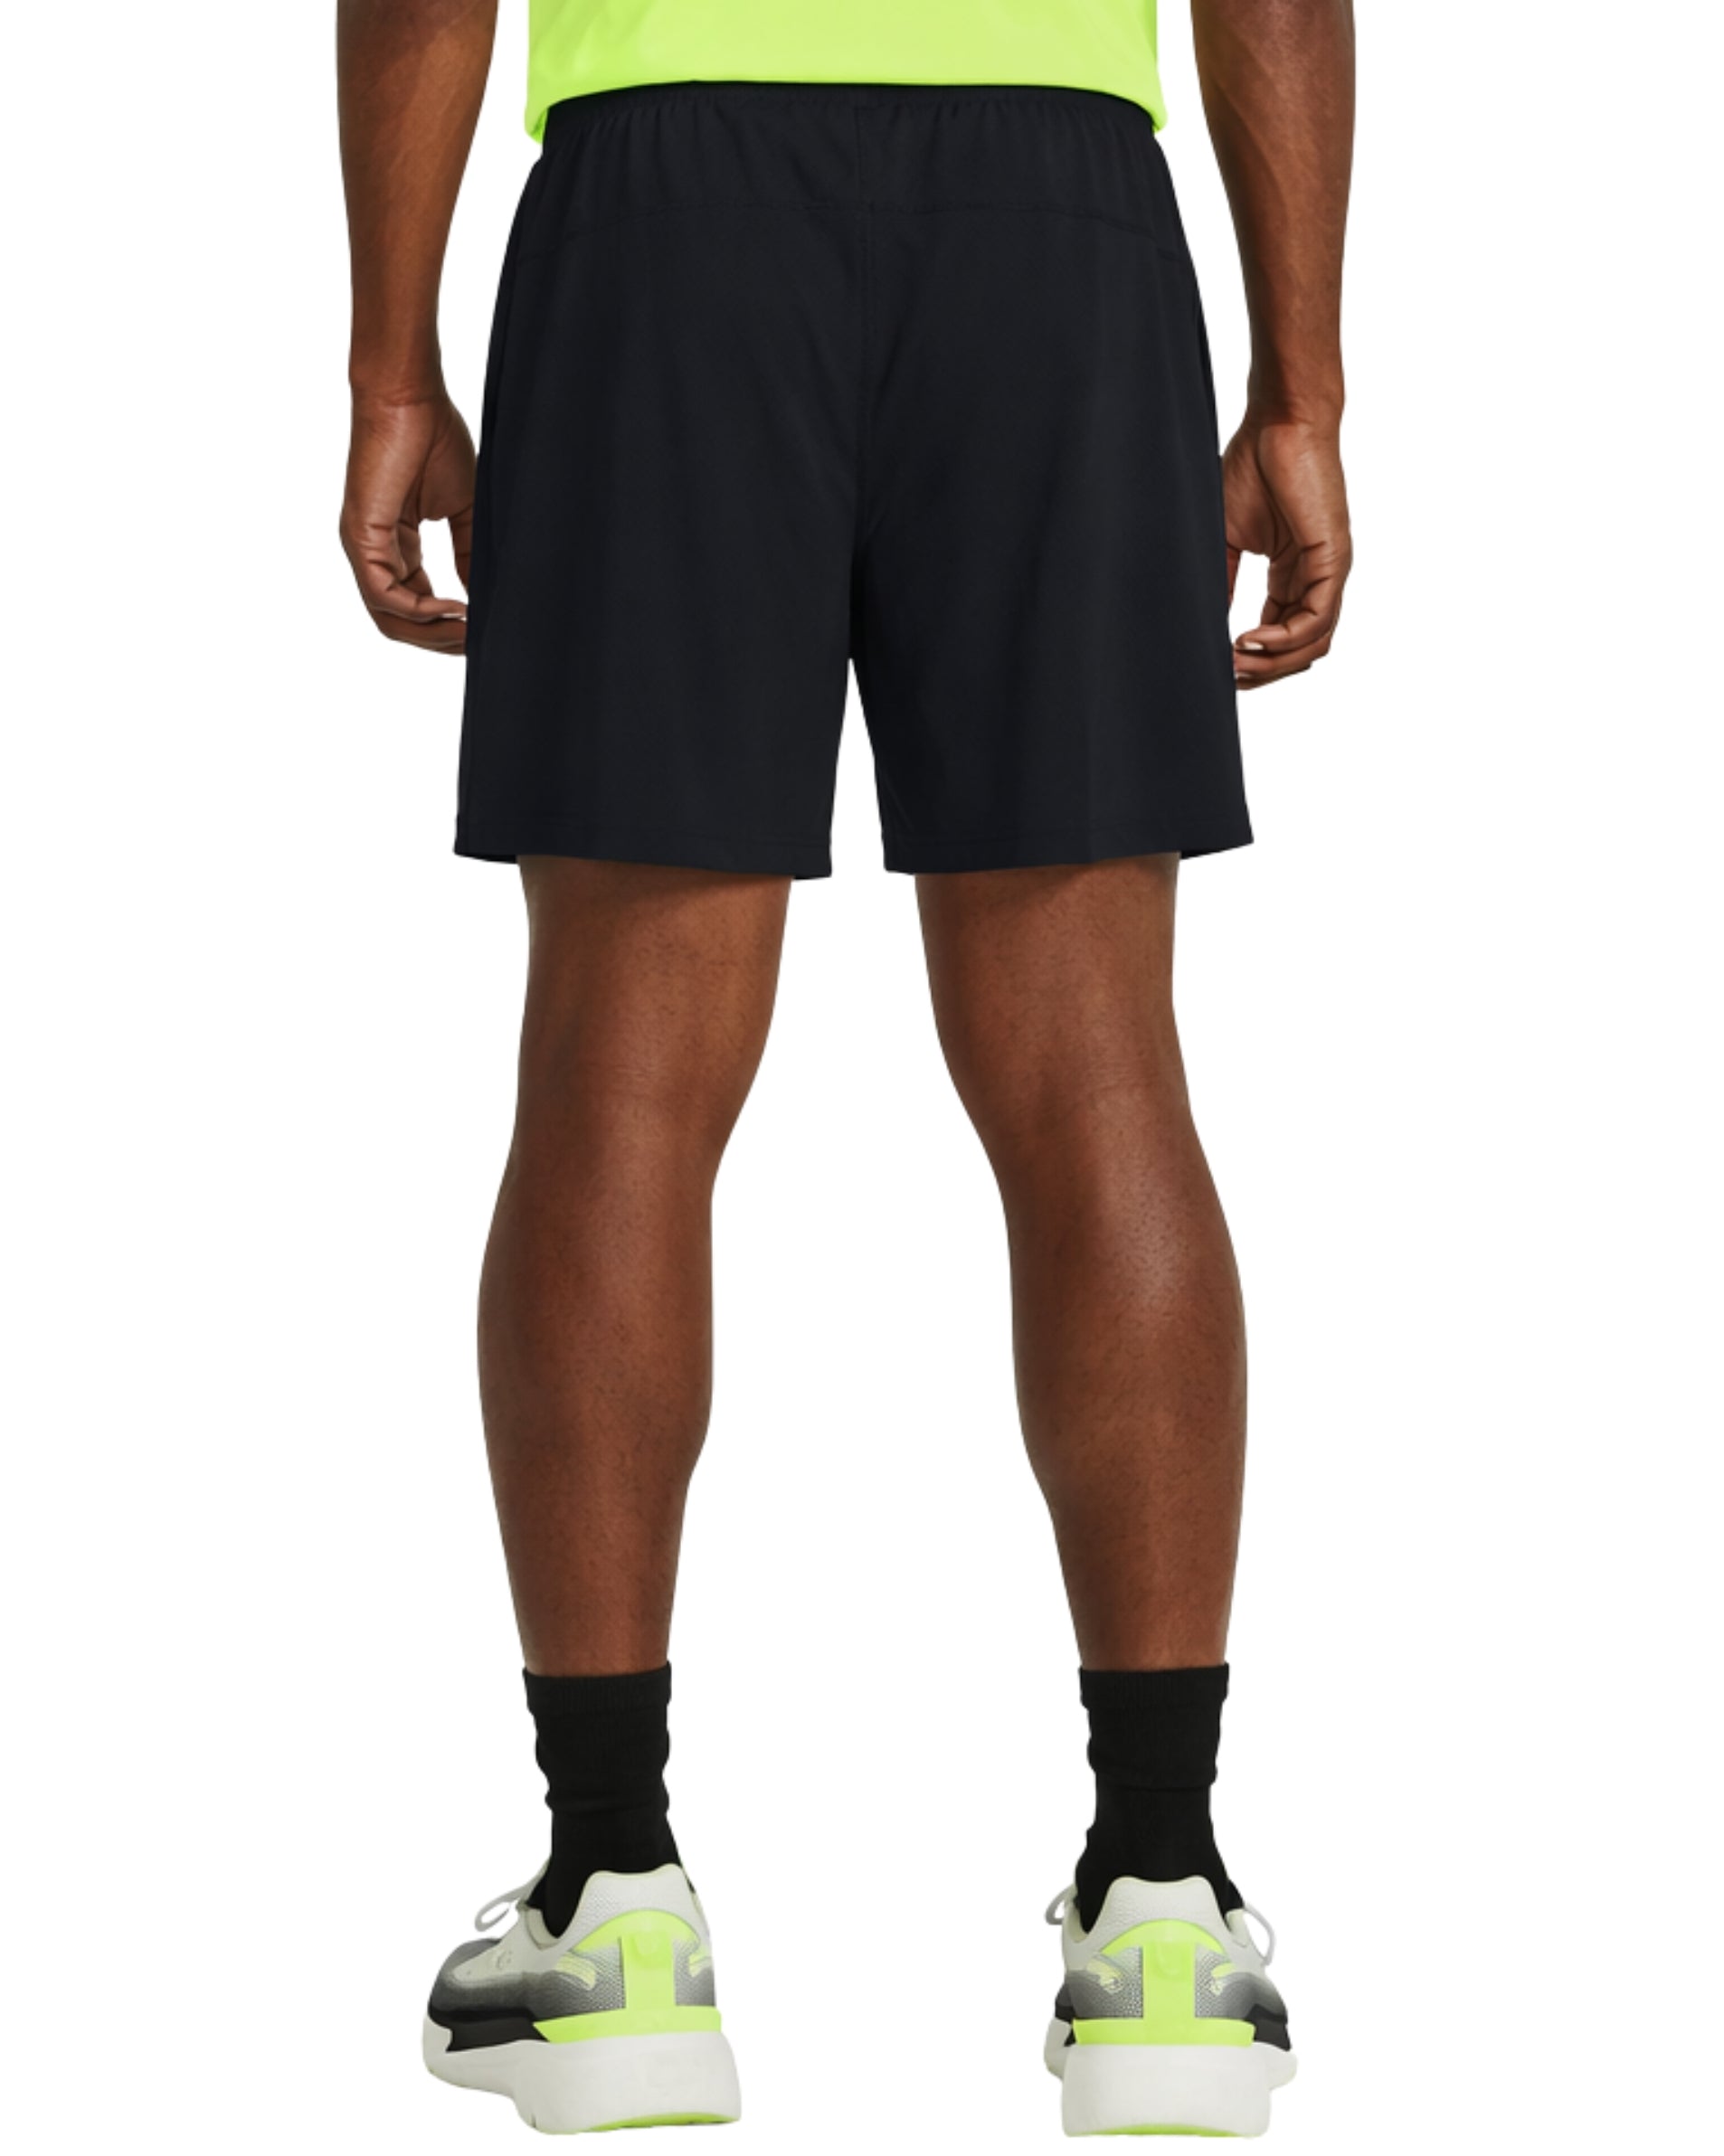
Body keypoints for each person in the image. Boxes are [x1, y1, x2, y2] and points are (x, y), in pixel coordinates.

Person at [337, 0, 1352, 2136]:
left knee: (620, 1073)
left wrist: (391, 367)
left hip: (666, 206)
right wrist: (1299, 384)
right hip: (1055, 212)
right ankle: (1161, 1910)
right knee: (1098, 1076)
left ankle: (613, 1901)